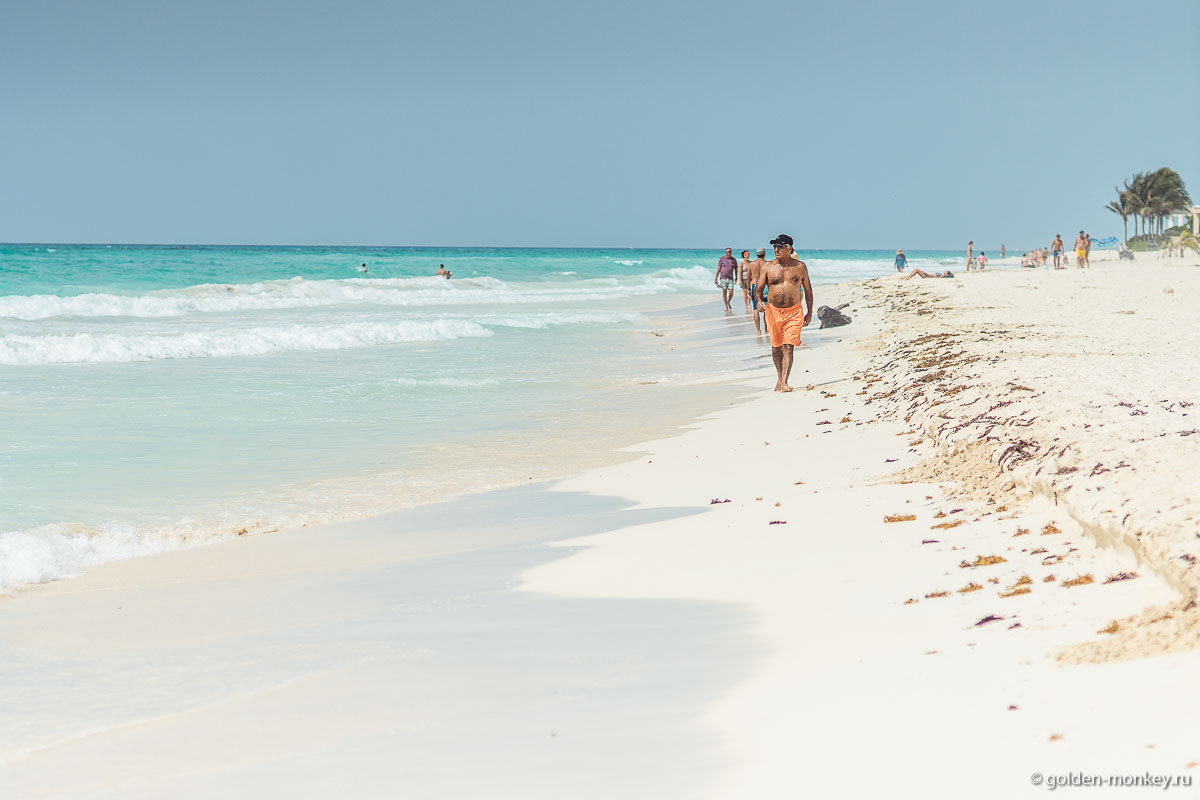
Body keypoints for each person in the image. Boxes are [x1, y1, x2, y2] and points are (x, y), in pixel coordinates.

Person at [756, 234, 813, 393]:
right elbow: (759, 288)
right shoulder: (768, 266)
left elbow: (808, 290)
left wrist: (809, 311)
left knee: (788, 346)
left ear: (789, 248)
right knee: (776, 347)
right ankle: (780, 378)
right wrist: (760, 301)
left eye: (780, 247)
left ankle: (785, 382)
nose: (776, 250)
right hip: (773, 311)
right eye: (774, 247)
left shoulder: (800, 267)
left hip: (794, 311)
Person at [747, 247, 769, 335]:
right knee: (766, 309)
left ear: (756, 254)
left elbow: (748, 278)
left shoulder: (751, 264)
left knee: (756, 309)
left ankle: (758, 331)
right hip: (765, 286)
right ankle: (766, 329)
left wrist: (748, 288)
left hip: (755, 285)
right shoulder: (767, 264)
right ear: (764, 254)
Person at [714, 248, 738, 312]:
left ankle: (728, 301)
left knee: (731, 292)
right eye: (728, 252)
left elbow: (736, 269)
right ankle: (726, 306)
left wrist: (736, 277)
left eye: (730, 252)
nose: (729, 253)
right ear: (725, 252)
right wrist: (716, 278)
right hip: (723, 278)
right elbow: (718, 269)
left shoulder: (733, 259)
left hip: (730, 279)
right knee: (724, 292)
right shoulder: (722, 259)